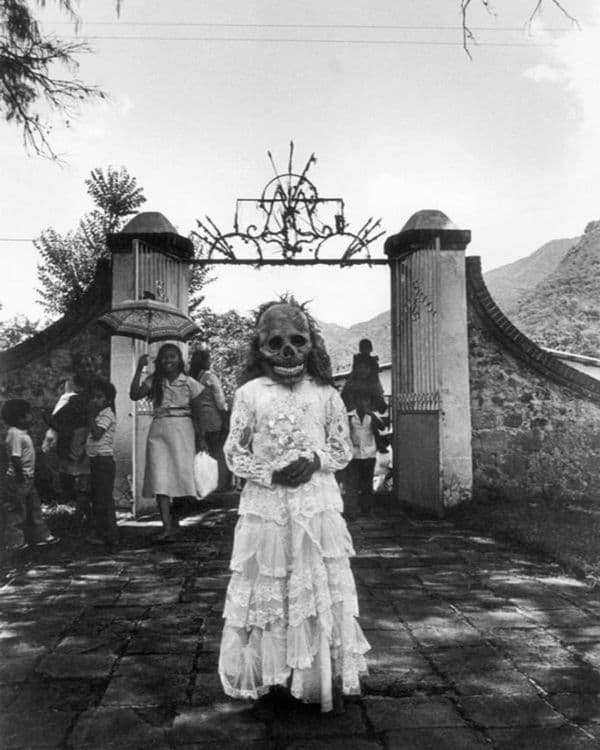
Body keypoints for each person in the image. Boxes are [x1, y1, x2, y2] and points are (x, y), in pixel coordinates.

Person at [218, 297, 369, 713]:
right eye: (276, 343)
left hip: (314, 505)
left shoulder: (326, 393)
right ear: (259, 347)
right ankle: (273, 677)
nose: (288, 352)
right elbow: (234, 451)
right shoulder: (249, 393)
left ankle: (314, 676)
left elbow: (342, 448)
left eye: (297, 341)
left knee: (313, 583)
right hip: (267, 507)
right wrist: (269, 472)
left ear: (311, 344)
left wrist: (316, 460)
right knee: (271, 585)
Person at [129, 343, 205, 542]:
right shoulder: (154, 381)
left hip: (183, 431)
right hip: (159, 431)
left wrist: (202, 438)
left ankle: (175, 519)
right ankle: (167, 526)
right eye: (164, 357)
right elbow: (134, 395)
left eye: (172, 356)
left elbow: (199, 412)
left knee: (181, 476)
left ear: (179, 360)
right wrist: (139, 368)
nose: (168, 360)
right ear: (159, 361)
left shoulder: (189, 382)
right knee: (160, 476)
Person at [1, 399, 58, 551]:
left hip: (28, 478)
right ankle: (15, 541)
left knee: (34, 507)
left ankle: (41, 536)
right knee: (16, 509)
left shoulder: (22, 433)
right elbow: (15, 458)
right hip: (19, 479)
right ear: (20, 418)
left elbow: (27, 453)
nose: (31, 417)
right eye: (29, 414)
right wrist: (19, 476)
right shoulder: (15, 434)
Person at [189, 349, 230, 491]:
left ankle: (203, 484)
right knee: (218, 452)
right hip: (213, 420)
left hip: (197, 421)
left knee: (202, 453)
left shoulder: (191, 378)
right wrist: (225, 414)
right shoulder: (209, 377)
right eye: (208, 359)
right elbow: (220, 401)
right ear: (205, 361)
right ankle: (220, 484)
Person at [85, 377, 118, 551]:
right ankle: (103, 532)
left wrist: (90, 416)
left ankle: (111, 534)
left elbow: (97, 434)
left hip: (103, 460)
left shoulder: (107, 414)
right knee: (99, 498)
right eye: (93, 397)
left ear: (108, 400)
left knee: (104, 499)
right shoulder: (100, 414)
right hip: (96, 459)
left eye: (99, 397)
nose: (94, 400)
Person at [345, 389, 385, 517]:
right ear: (356, 402)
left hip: (369, 453)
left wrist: (372, 414)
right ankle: (351, 510)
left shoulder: (372, 416)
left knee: (367, 483)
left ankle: (366, 509)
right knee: (352, 482)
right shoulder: (349, 416)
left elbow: (382, 427)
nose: (363, 403)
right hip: (354, 454)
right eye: (361, 400)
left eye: (366, 401)